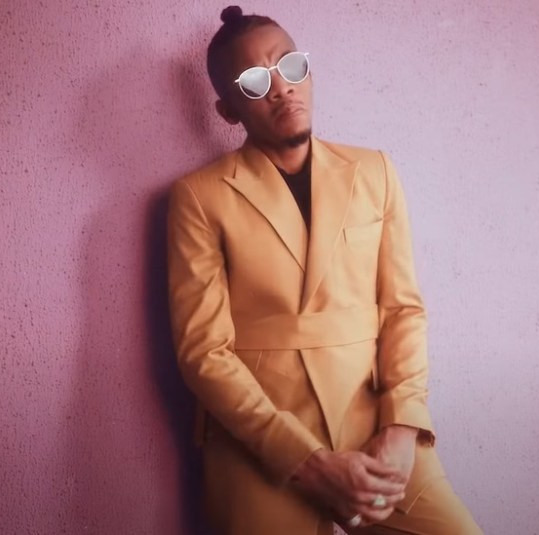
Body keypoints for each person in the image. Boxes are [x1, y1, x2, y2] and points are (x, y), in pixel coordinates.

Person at [166, 6, 482, 535]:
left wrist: (402, 426)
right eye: (255, 80)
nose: (281, 88)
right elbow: (203, 353)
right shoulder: (199, 197)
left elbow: (403, 310)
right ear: (227, 110)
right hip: (261, 445)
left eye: (291, 66)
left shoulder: (375, 171)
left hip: (375, 425)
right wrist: (305, 461)